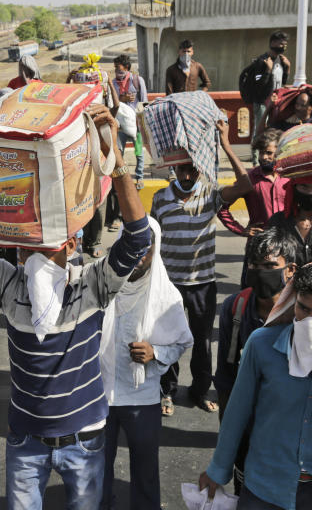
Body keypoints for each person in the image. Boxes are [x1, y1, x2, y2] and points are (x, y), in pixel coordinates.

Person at [0, 103, 151, 510]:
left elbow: (137, 238)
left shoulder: (93, 284)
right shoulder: (8, 284)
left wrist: (113, 153)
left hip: (84, 440)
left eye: (45, 243)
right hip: (25, 440)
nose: (33, 252)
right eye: (25, 244)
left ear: (70, 245)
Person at [198, 260, 312, 510]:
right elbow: (237, 413)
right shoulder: (262, 345)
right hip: (263, 486)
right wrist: (217, 470)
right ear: (293, 301)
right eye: (303, 308)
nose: (311, 321)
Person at [152, 120, 253, 416]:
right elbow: (152, 238)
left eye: (191, 169)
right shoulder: (160, 199)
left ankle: (199, 390)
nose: (186, 175)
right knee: (168, 339)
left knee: (201, 342)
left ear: (199, 169)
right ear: (173, 170)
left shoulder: (210, 195)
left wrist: (225, 142)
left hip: (202, 284)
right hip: (169, 284)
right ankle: (166, 392)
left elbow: (245, 185)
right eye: (181, 169)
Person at [99, 217, 193, 510]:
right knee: (97, 470)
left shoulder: (167, 296)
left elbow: (182, 341)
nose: (139, 254)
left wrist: (156, 352)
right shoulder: (100, 284)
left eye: (146, 248)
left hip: (141, 397)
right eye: (132, 245)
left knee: (145, 471)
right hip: (99, 395)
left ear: (157, 249)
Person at [212, 228, 298, 495]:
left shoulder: (306, 310)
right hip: (249, 421)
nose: (261, 272)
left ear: (290, 269)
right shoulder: (235, 307)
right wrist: (230, 435)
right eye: (254, 265)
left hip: (291, 427)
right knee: (246, 490)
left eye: (270, 265)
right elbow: (226, 378)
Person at [241, 32, 290, 145]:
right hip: (262, 102)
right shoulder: (261, 61)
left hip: (275, 102)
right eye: (281, 44)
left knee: (273, 131)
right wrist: (268, 70)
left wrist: (287, 69)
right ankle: (255, 158)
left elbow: (281, 83)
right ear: (273, 43)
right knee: (259, 130)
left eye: (285, 45)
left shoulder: (281, 60)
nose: (284, 47)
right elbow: (259, 84)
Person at [112, 54, 147, 187]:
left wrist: (142, 122)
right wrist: (122, 99)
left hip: (136, 124)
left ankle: (139, 176)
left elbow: (144, 102)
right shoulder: (114, 83)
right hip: (120, 124)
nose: (116, 72)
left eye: (119, 69)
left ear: (127, 68)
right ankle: (121, 177)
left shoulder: (138, 80)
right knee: (119, 152)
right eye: (115, 69)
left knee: (139, 151)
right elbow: (111, 102)